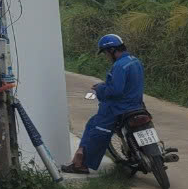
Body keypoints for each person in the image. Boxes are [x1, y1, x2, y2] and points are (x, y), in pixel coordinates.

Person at [62, 33, 145, 175]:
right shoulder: (135, 61)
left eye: (106, 53)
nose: (106, 56)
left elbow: (116, 91)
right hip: (137, 106)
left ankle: (81, 164)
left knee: (96, 130)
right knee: (93, 123)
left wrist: (100, 89)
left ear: (112, 50)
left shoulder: (119, 66)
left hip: (118, 109)